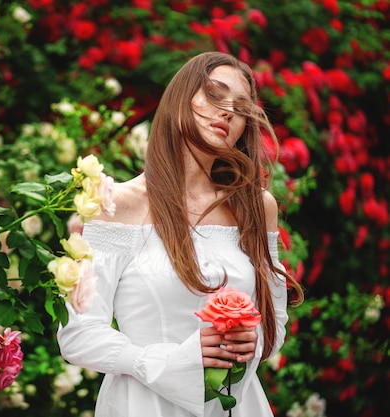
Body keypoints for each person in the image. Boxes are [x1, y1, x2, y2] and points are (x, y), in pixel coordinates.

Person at [56, 51, 304, 417]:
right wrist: (169, 363)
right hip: (144, 403)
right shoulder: (116, 203)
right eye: (216, 95)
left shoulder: (255, 207)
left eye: (241, 107)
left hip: (236, 405)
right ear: (180, 99)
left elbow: (274, 324)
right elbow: (78, 335)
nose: (228, 112)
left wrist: (252, 342)